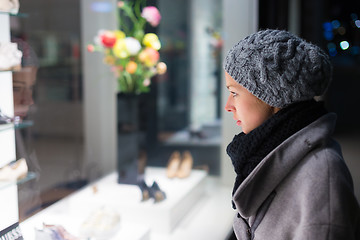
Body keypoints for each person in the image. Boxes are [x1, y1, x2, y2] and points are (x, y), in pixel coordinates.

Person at [223, 29, 360, 239]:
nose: (228, 106)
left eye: (234, 93)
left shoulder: (322, 176)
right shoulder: (263, 151)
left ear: (273, 96)